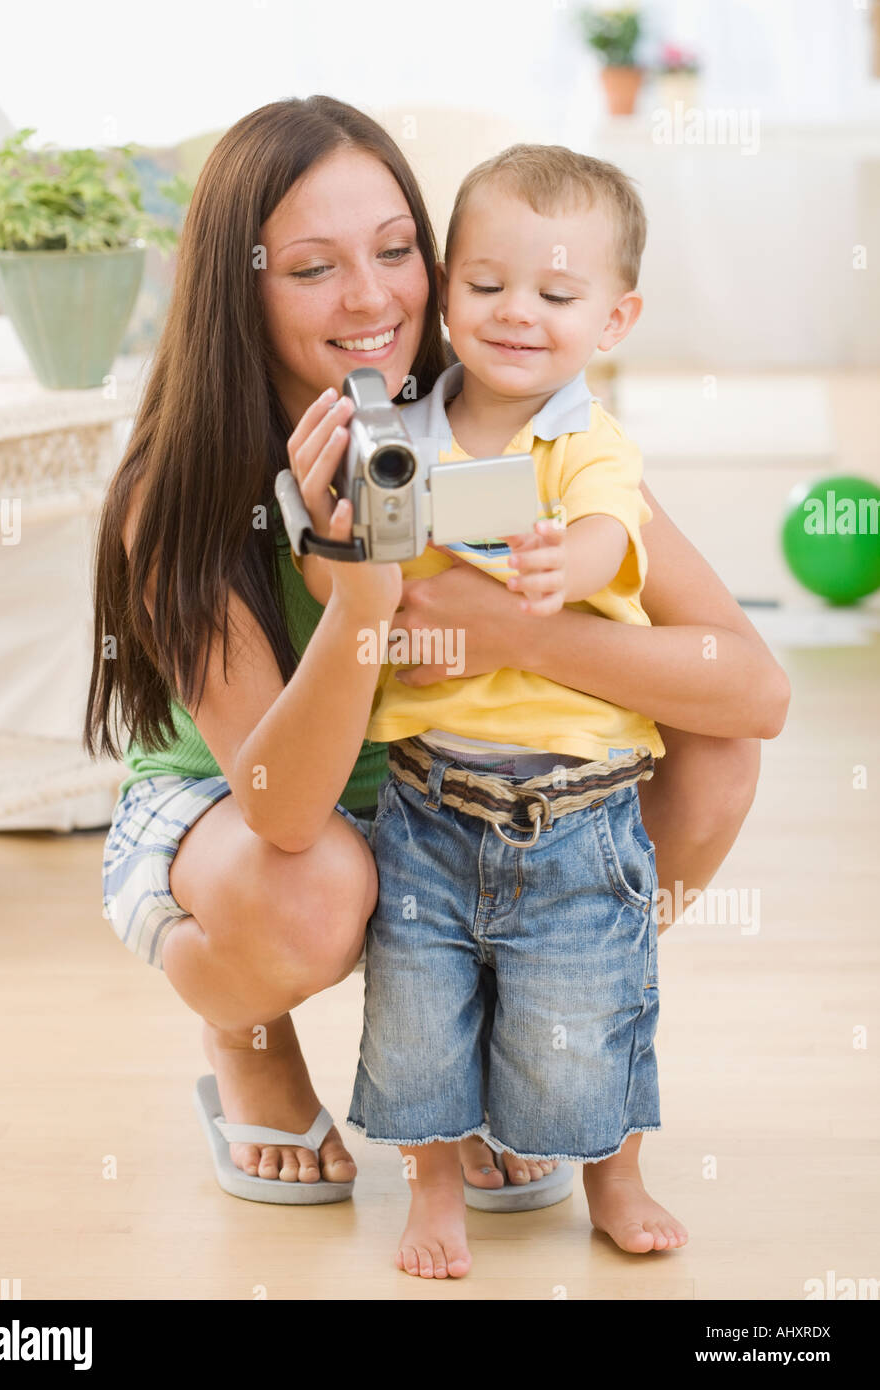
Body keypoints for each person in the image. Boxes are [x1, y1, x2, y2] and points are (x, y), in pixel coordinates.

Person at [85, 97, 789, 1208]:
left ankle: (493, 1046)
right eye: (313, 266)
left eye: (398, 249)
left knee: (715, 756)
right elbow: (281, 809)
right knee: (318, 883)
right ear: (241, 285)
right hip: (239, 820)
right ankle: (243, 1028)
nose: (371, 298)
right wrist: (364, 599)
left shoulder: (511, 429)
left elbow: (752, 692)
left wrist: (508, 621)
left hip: (449, 806)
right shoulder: (180, 493)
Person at [296, 141, 692, 1276]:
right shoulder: (401, 435)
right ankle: (433, 1188)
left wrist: (572, 564)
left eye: (557, 295)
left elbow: (618, 528)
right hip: (428, 802)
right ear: (445, 295)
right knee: (420, 1015)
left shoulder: (586, 444)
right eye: (486, 286)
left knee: (590, 1011)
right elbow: (356, 588)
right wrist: (366, 577)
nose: (519, 313)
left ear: (612, 320)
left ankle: (614, 1174)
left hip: (577, 812)